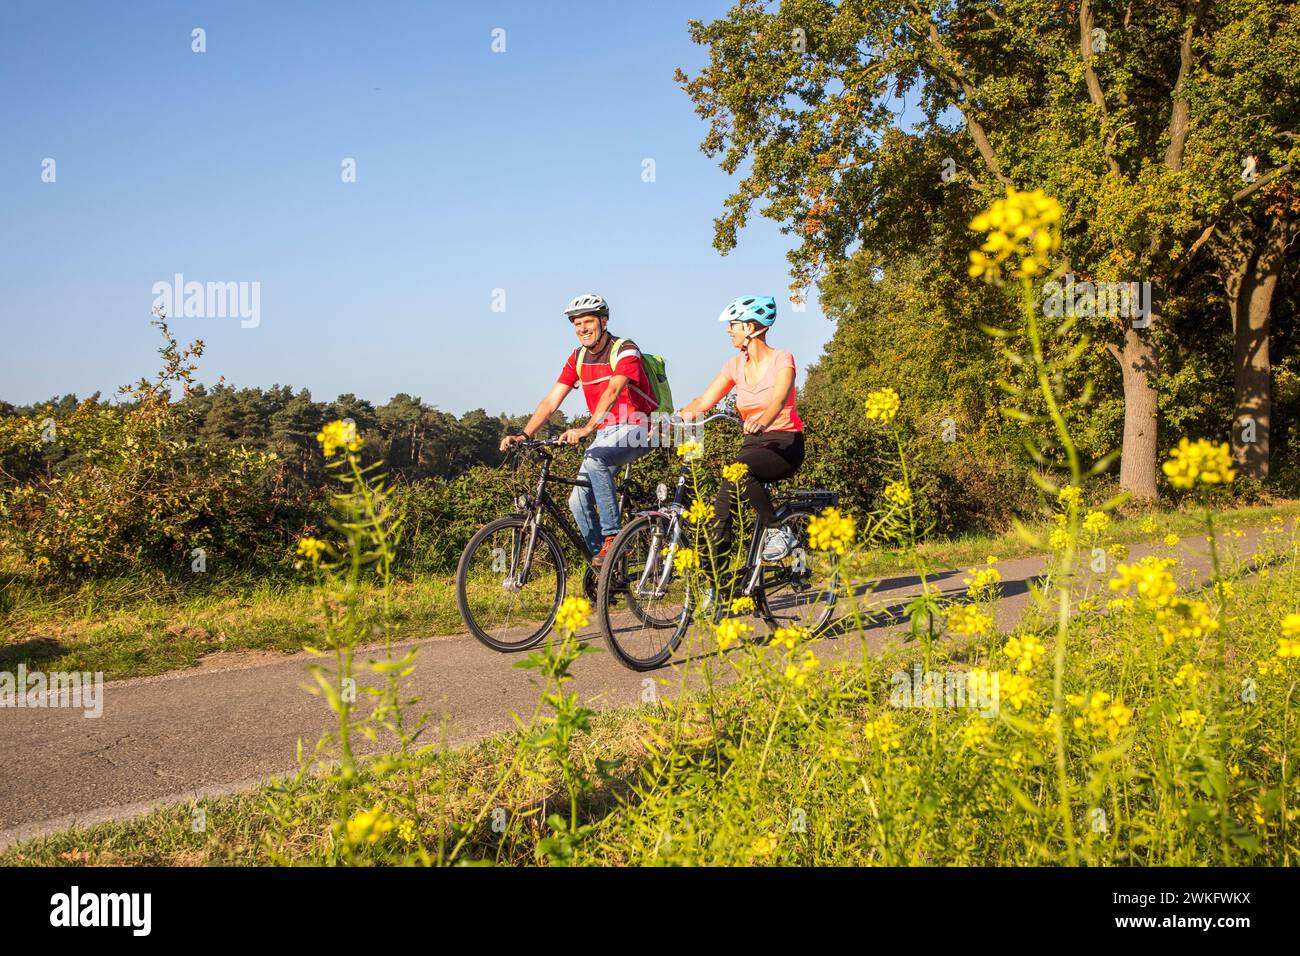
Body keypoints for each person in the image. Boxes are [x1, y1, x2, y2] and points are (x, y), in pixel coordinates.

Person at [500, 293, 659, 568]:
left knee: (596, 459)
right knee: (576, 501)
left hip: (639, 427)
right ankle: (606, 570)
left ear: (604, 321)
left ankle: (614, 538)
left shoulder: (625, 349)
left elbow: (613, 390)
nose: (582, 328)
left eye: (588, 321)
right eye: (576, 324)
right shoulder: (578, 357)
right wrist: (524, 434)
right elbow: (551, 402)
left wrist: (587, 428)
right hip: (606, 432)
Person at [678, 295, 804, 563]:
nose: (728, 330)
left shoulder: (783, 359)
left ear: (750, 327)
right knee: (721, 512)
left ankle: (777, 531)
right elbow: (703, 402)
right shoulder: (735, 365)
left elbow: (780, 398)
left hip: (784, 443)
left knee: (740, 472)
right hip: (752, 446)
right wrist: (671, 420)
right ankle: (722, 585)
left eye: (733, 324)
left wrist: (764, 420)